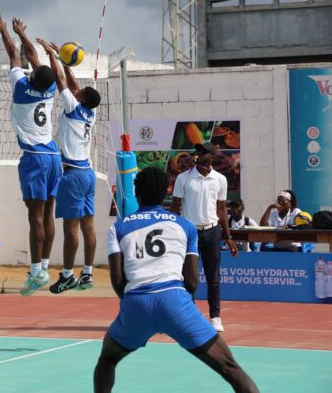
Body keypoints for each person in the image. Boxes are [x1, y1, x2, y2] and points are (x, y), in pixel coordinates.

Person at [94, 167, 258, 393]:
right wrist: (177, 309)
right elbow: (191, 281)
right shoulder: (185, 226)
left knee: (107, 360)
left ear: (136, 193)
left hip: (136, 302)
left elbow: (117, 280)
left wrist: (136, 305)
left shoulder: (118, 227)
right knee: (230, 368)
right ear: (166, 194)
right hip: (175, 301)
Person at [0, 12, 60, 296]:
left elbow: (14, 54)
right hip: (54, 157)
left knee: (36, 218)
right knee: (49, 215)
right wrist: (23, 35)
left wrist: (6, 30)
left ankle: (35, 272)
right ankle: (44, 267)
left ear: (31, 77)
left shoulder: (21, 87)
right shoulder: (50, 88)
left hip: (34, 158)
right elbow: (32, 56)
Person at [38, 38, 102, 293]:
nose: (77, 91)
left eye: (80, 92)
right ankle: (87, 274)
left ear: (81, 98)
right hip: (88, 174)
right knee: (88, 226)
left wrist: (52, 55)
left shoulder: (73, 106)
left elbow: (61, 81)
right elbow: (73, 84)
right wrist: (65, 59)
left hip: (73, 175)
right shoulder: (90, 112)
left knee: (70, 228)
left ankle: (67, 275)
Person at [170, 142, 238, 333]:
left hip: (212, 231)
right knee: (189, 277)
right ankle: (189, 315)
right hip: (189, 233)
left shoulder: (220, 179)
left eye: (202, 152)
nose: (197, 155)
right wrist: (172, 231)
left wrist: (228, 236)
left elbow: (221, 209)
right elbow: (175, 207)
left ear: (211, 156)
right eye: (197, 152)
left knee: (213, 277)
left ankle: (215, 317)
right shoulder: (184, 178)